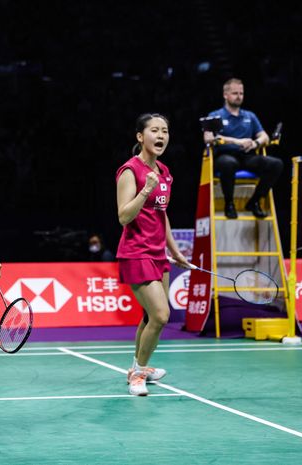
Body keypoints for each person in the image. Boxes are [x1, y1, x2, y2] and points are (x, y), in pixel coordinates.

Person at [116, 113, 190, 396]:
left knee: (149, 316)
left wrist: (175, 251)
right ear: (140, 137)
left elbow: (162, 215)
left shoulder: (165, 171)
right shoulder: (129, 171)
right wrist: (145, 188)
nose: (161, 136)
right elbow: (124, 216)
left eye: (165, 131)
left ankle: (137, 367)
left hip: (158, 254)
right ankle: (138, 373)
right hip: (136, 252)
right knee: (160, 316)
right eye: (154, 131)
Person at [203, 78, 283, 219]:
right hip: (224, 156)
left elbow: (264, 137)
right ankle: (229, 204)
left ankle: (254, 201)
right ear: (225, 95)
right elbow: (208, 138)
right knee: (229, 163)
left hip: (246, 156)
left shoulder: (250, 116)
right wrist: (237, 141)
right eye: (235, 93)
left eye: (241, 93)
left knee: (276, 164)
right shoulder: (215, 115)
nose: (239, 96)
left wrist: (255, 143)